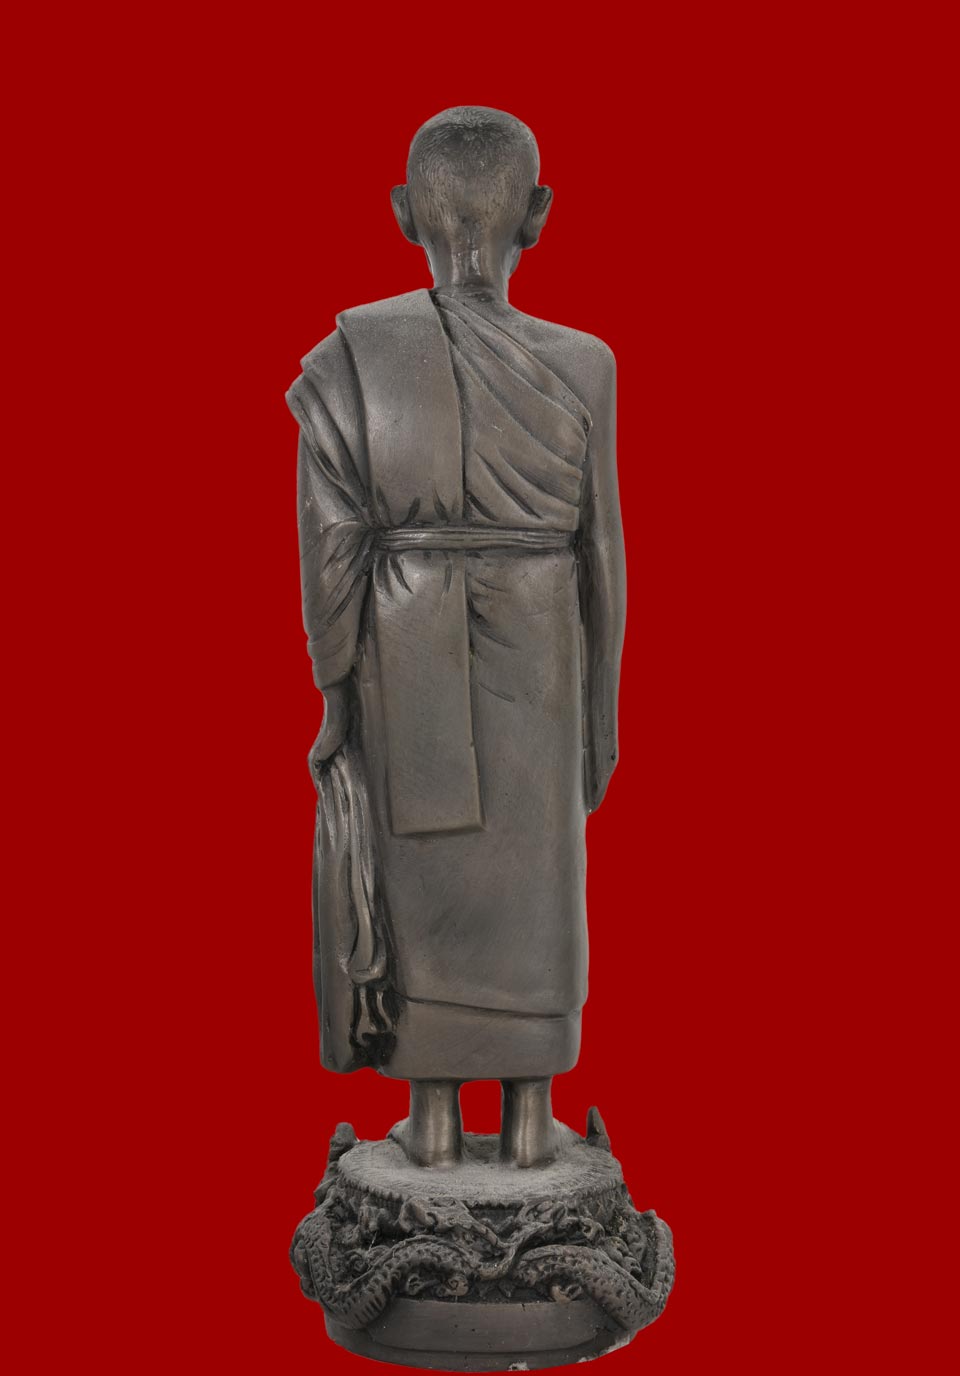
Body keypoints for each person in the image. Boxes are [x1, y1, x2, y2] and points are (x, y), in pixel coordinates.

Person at [286, 106, 625, 1168]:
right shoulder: (586, 363)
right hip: (543, 645)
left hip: (404, 647)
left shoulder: (351, 360)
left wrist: (334, 690)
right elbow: (603, 554)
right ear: (539, 215)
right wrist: (602, 711)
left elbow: (330, 550)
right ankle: (530, 1125)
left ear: (402, 214)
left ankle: (430, 1123)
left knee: (425, 876)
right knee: (534, 881)